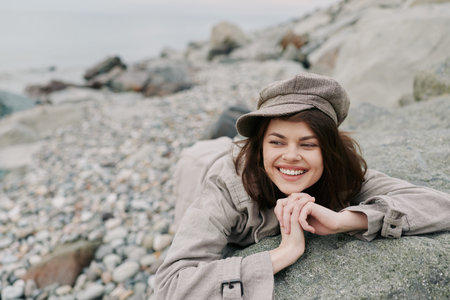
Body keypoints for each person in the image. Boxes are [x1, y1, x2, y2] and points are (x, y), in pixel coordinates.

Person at [154, 73, 450, 299]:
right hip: (199, 164)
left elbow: (440, 206)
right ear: (260, 147)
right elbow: (170, 286)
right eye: (277, 141)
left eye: (308, 144)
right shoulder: (226, 183)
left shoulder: (344, 174)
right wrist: (283, 253)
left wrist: (343, 220)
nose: (292, 155)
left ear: (329, 152)